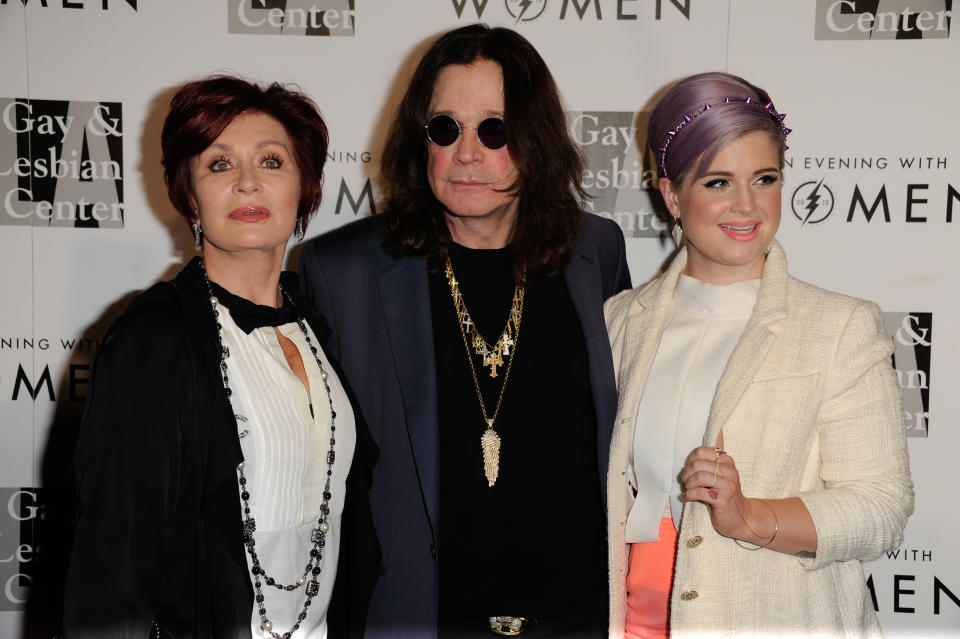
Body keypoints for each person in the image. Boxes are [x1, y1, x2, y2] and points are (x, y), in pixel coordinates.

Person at [299, 23, 631, 639]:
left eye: (495, 130)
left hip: (579, 619)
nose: (467, 153)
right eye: (445, 128)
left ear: (535, 140)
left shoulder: (596, 252)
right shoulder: (344, 271)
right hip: (419, 620)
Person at [604, 71, 914, 638]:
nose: (746, 206)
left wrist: (750, 516)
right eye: (718, 182)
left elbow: (881, 511)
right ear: (671, 194)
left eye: (764, 178)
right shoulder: (620, 320)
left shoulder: (838, 326)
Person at [62, 75, 356, 639]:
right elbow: (113, 558)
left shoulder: (321, 325)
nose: (248, 183)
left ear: (305, 188)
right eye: (220, 165)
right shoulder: (156, 335)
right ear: (190, 197)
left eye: (272, 161)